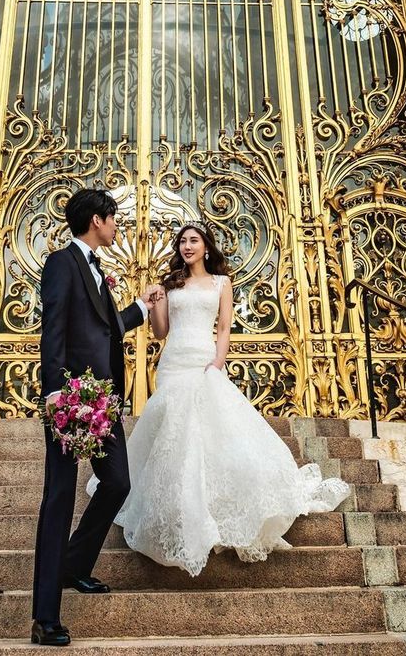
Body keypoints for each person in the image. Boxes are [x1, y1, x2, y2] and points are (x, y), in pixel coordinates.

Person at [109, 222, 350, 576]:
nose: (187, 246)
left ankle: (210, 505)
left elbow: (224, 327)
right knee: (175, 430)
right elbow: (161, 332)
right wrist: (156, 302)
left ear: (206, 247)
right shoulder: (171, 284)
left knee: (207, 430)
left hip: (204, 359)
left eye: (194, 240)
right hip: (174, 362)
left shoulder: (222, 283)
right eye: (182, 242)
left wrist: (218, 362)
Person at [31, 188, 164, 647]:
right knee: (59, 497)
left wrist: (142, 307)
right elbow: (54, 328)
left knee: (118, 482)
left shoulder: (96, 269)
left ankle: (73, 565)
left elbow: (106, 327)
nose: (116, 227)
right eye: (113, 219)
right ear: (96, 220)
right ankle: (45, 616)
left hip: (103, 401)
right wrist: (54, 391)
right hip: (69, 398)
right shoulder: (61, 264)